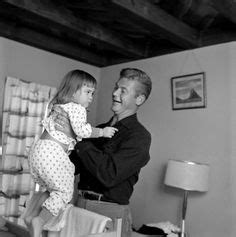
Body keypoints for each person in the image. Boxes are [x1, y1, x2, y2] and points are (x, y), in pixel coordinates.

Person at [55, 68, 152, 237]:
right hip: (79, 205)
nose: (114, 93)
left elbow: (109, 174)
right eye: (116, 87)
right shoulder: (97, 130)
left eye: (123, 91)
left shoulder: (140, 137)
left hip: (109, 211)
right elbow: (72, 167)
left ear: (139, 99)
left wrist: (78, 140)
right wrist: (55, 142)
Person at [25, 70, 118, 237]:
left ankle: (32, 214)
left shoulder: (59, 107)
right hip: (52, 152)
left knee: (52, 189)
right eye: (88, 92)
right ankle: (39, 219)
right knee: (64, 192)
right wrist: (102, 132)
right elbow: (81, 130)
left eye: (93, 93)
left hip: (38, 151)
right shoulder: (77, 108)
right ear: (73, 92)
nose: (91, 97)